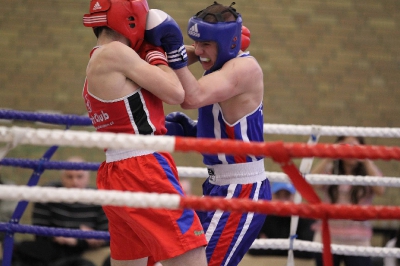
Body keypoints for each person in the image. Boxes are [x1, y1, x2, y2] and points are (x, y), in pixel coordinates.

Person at [81, 0, 208, 266]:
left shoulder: (102, 56)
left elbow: (171, 61)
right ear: (131, 18)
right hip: (143, 169)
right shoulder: (116, 52)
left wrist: (207, 50)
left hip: (116, 170)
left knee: (133, 261)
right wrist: (159, 53)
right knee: (190, 252)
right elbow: (176, 93)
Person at [145, 2, 271, 265]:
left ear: (228, 43)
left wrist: (175, 51)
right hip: (218, 186)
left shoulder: (243, 69)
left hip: (241, 189)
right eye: (196, 43)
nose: (199, 51)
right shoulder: (219, 67)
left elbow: (192, 97)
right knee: (187, 259)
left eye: (207, 44)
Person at [12, 156, 109, 266]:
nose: (75, 182)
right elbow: (39, 232)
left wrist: (76, 240)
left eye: (80, 177)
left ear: (88, 178)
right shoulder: (48, 193)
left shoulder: (99, 197)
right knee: (21, 248)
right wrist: (79, 233)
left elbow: (106, 236)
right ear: (62, 177)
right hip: (54, 249)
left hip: (87, 251)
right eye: (69, 177)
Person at [311, 136, 385, 266]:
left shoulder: (368, 172)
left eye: (355, 147)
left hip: (358, 239)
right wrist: (330, 155)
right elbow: (313, 182)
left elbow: (380, 190)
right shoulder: (331, 170)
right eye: (347, 147)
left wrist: (366, 159)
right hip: (328, 236)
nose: (351, 152)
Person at [248, 182, 315, 259]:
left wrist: (269, 246)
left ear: (295, 197)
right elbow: (252, 250)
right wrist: (291, 247)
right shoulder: (261, 219)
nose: (282, 201)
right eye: (278, 195)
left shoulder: (304, 219)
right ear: (271, 196)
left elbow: (308, 253)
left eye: (287, 195)